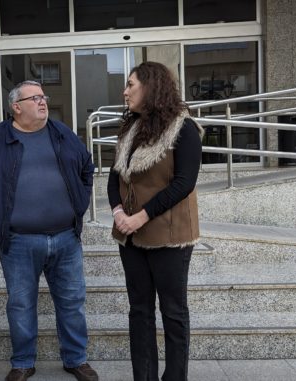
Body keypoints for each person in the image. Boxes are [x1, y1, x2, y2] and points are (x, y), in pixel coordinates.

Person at [0, 80, 98, 381]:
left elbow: (87, 167)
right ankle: (23, 362)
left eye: (43, 96)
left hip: (66, 238)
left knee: (72, 302)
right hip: (18, 241)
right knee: (21, 303)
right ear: (16, 107)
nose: (43, 102)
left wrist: (78, 204)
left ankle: (76, 359)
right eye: (34, 98)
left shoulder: (61, 133)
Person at [107, 61, 203, 381]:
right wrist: (119, 214)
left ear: (150, 86)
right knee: (140, 312)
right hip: (130, 236)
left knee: (173, 314)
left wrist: (141, 217)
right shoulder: (130, 127)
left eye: (130, 84)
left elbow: (183, 183)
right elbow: (113, 178)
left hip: (169, 235)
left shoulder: (184, 128)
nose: (125, 91)